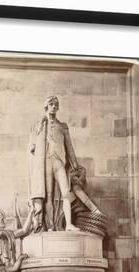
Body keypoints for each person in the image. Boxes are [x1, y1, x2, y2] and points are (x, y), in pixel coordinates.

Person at [29, 96, 99, 232]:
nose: (54, 106)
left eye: (56, 104)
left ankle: (68, 224)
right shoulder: (39, 125)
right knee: (48, 196)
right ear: (46, 106)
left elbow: (70, 148)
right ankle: (50, 226)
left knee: (66, 192)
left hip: (59, 162)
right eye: (51, 104)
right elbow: (32, 149)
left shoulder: (62, 127)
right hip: (46, 162)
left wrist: (76, 166)